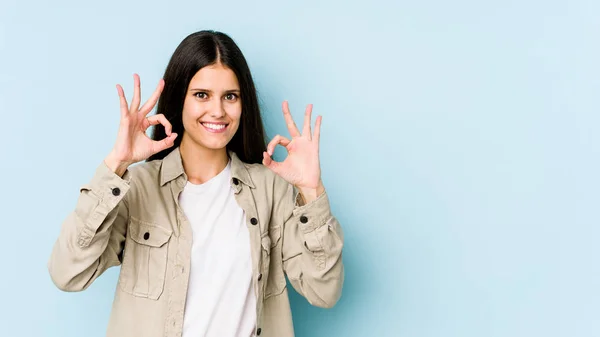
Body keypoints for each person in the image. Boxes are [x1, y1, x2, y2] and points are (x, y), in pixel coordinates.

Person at [48, 30, 344, 337]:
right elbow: (67, 273)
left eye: (230, 96)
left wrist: (311, 192)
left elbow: (323, 291)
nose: (217, 111)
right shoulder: (138, 188)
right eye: (201, 95)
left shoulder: (271, 190)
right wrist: (117, 164)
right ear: (180, 100)